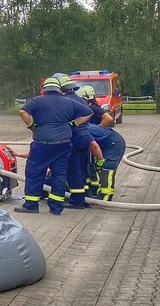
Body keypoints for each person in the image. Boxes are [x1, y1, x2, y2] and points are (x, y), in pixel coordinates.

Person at [17, 76, 92, 215]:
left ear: (44, 89)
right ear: (58, 89)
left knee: (35, 172)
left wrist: (31, 126)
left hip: (42, 144)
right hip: (63, 144)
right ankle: (56, 207)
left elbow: (23, 112)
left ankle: (31, 205)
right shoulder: (68, 101)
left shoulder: (37, 101)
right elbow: (88, 112)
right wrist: (74, 124)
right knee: (59, 174)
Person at [57, 74, 103, 209]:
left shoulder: (65, 101)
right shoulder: (80, 99)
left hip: (74, 139)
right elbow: (89, 113)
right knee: (82, 169)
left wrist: (72, 124)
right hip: (85, 138)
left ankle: (77, 201)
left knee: (73, 170)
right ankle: (86, 197)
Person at [80, 86, 126, 201]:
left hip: (114, 144)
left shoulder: (85, 129)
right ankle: (96, 190)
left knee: (107, 169)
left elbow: (94, 146)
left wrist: (100, 160)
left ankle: (106, 197)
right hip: (102, 140)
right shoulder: (82, 129)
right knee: (93, 166)